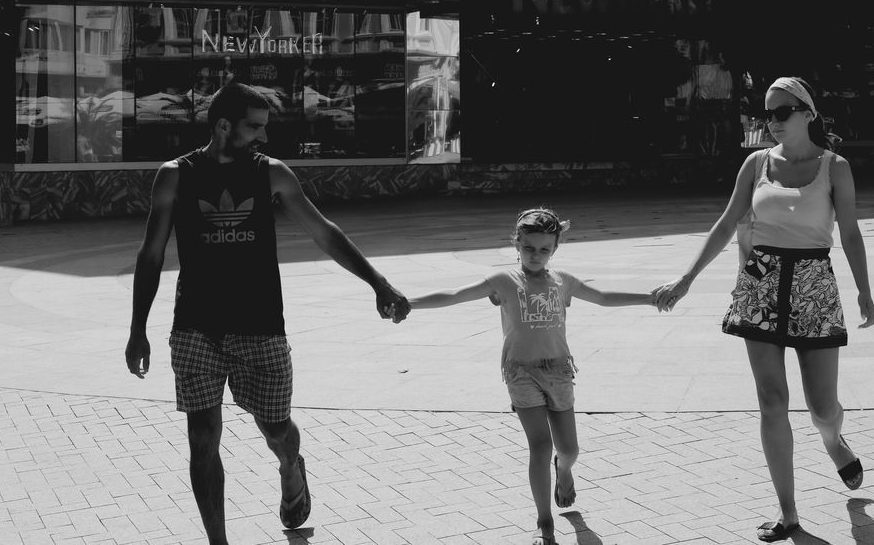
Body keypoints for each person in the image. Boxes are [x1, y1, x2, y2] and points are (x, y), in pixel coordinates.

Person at [124, 82, 411, 545]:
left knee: (276, 427)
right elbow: (150, 254)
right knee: (202, 438)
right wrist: (138, 329)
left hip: (260, 327)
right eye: (254, 127)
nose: (262, 136)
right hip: (196, 327)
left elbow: (324, 232)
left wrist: (378, 282)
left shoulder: (271, 174)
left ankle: (290, 465)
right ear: (223, 125)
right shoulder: (174, 176)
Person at [652, 76, 874, 542]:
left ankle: (834, 440)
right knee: (772, 402)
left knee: (821, 406)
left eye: (781, 112)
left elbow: (850, 234)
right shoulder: (755, 164)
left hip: (815, 288)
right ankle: (789, 514)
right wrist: (687, 279)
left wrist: (864, 290)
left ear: (807, 113)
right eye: (766, 114)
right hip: (759, 286)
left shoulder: (835, 168)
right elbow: (727, 221)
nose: (771, 122)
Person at [407, 207, 656, 545]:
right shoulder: (503, 281)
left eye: (544, 250)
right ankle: (545, 523)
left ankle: (564, 469)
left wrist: (649, 298)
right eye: (529, 248)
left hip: (558, 370)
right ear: (517, 244)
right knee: (540, 446)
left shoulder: (562, 281)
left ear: (554, 249)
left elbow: (602, 297)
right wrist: (408, 303)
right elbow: (454, 295)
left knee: (569, 449)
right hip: (520, 372)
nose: (535, 255)